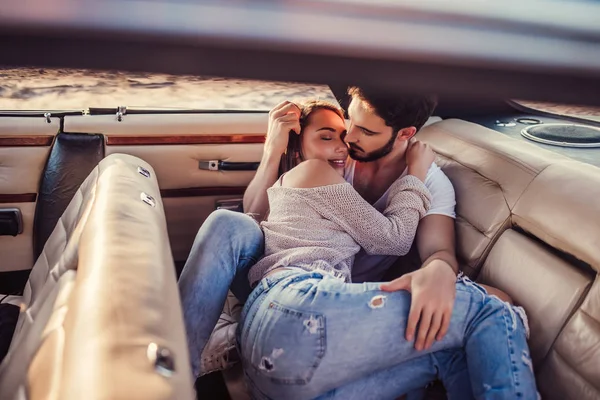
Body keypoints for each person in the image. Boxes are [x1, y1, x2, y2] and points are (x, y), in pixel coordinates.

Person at [236, 99, 537, 400]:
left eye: (365, 131)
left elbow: (438, 252)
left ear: (405, 133)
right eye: (350, 120)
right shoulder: (335, 157)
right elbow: (256, 219)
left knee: (458, 342)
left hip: (341, 317)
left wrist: (437, 271)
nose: (350, 137)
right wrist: (271, 152)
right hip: (304, 300)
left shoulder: (431, 182)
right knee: (493, 306)